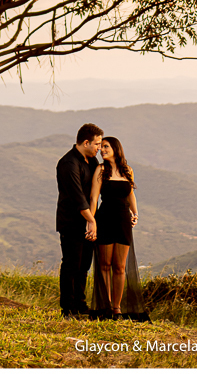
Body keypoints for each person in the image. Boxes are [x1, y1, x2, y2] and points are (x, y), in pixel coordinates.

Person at [88, 135, 150, 321]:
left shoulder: (127, 170)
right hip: (105, 218)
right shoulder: (100, 169)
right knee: (105, 265)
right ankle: (106, 305)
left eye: (106, 146)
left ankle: (117, 307)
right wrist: (91, 221)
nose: (102, 150)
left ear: (116, 148)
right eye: (101, 147)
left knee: (120, 266)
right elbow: (93, 198)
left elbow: (131, 194)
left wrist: (135, 213)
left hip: (123, 220)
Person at [55, 122, 103, 318]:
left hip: (89, 220)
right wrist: (91, 221)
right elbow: (77, 197)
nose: (99, 148)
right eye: (97, 144)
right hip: (72, 222)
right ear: (85, 142)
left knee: (84, 265)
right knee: (71, 264)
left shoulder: (90, 161)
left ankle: (80, 304)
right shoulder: (69, 163)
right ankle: (67, 308)